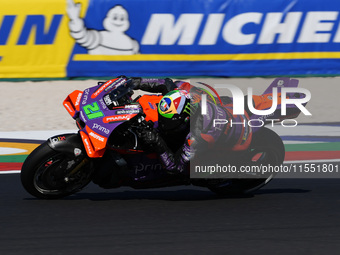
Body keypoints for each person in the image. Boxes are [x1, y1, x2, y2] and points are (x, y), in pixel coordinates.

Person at [128, 77, 253, 176]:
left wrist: (157, 143)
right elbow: (165, 82)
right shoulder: (182, 93)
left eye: (167, 121)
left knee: (190, 166)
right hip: (225, 107)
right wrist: (135, 82)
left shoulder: (196, 137)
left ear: (185, 119)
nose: (162, 123)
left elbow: (175, 168)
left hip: (236, 140)